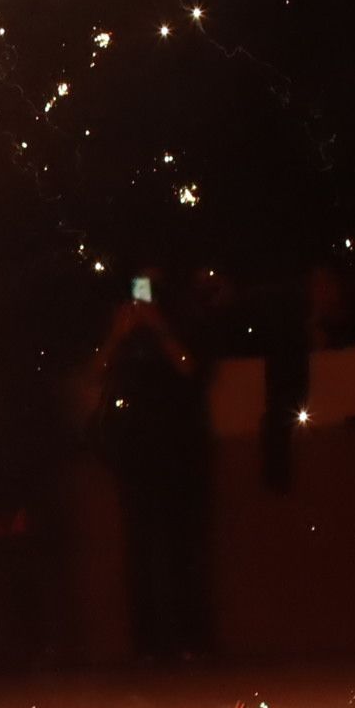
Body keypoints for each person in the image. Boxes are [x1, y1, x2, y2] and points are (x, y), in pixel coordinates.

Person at [82, 273, 216, 663]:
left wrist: (160, 329)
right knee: (140, 551)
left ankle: (191, 639)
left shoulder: (181, 323)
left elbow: (192, 369)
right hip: (135, 454)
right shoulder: (124, 336)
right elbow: (95, 372)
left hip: (179, 452)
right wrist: (119, 335)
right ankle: (149, 643)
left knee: (182, 549)